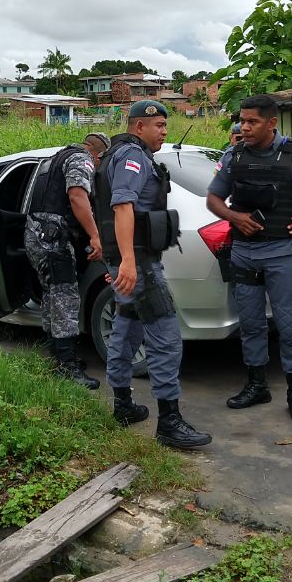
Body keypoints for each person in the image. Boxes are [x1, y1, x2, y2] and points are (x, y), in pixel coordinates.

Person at [206, 94, 292, 423]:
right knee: (252, 325)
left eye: (252, 122)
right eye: (242, 121)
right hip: (243, 253)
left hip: (282, 253)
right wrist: (234, 217)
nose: (245, 127)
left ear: (272, 123)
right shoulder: (234, 154)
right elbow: (213, 199)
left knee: (289, 327)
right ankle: (257, 386)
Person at [95, 100, 211, 449]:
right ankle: (169, 422)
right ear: (138, 126)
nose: (164, 131)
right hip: (140, 263)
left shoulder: (121, 154)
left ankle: (122, 404)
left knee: (126, 328)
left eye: (164, 124)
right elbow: (122, 204)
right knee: (165, 337)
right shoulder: (132, 157)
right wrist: (129, 260)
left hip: (130, 260)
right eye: (159, 124)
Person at [25, 132, 111, 389]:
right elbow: (76, 196)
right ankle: (67, 365)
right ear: (98, 156)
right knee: (65, 297)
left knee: (53, 295)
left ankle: (57, 355)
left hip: (37, 235)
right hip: (53, 240)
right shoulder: (81, 160)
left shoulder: (54, 158)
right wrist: (95, 235)